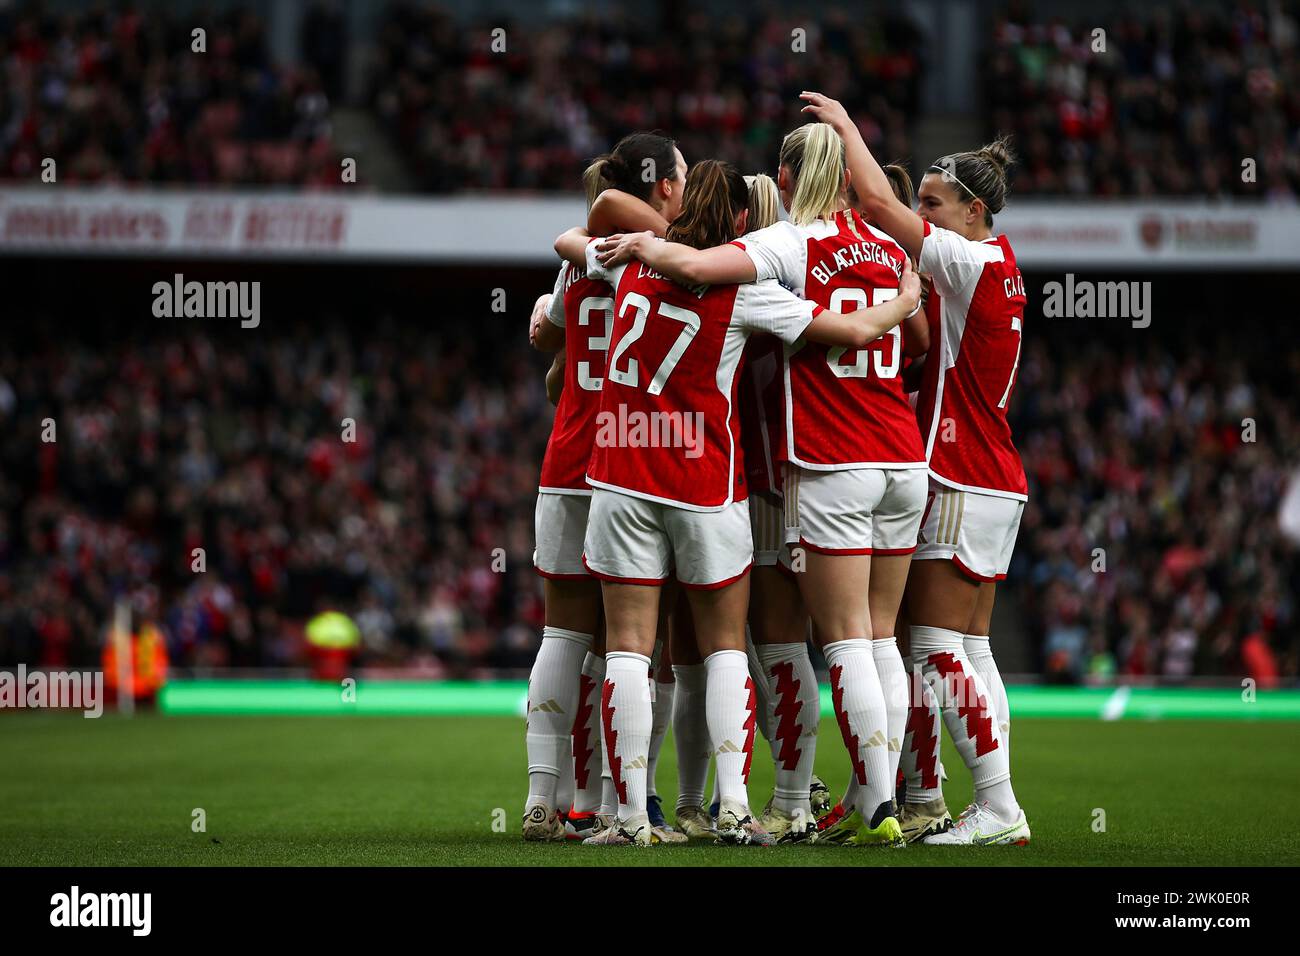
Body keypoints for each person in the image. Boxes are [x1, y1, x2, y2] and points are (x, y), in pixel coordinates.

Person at [562, 159, 920, 846]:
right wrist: (905, 300)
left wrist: (639, 239)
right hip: (703, 484)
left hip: (619, 473)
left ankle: (630, 816)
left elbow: (577, 230)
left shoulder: (624, 269)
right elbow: (848, 333)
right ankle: (733, 809)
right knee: (728, 648)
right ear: (739, 225)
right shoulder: (746, 295)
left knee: (632, 652)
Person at [801, 90, 1031, 846]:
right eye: (922, 204)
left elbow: (874, 199)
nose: (923, 216)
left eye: (934, 204)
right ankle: (948, 794)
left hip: (961, 470)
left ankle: (995, 804)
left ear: (971, 209)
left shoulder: (964, 258)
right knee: (972, 649)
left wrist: (843, 125)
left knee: (931, 648)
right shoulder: (1001, 265)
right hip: (995, 474)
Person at [521, 133, 680, 842]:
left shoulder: (582, 258)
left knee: (562, 636)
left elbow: (548, 347)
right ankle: (625, 802)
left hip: (567, 456)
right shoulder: (669, 260)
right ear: (664, 186)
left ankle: (541, 800)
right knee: (631, 646)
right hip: (632, 465)